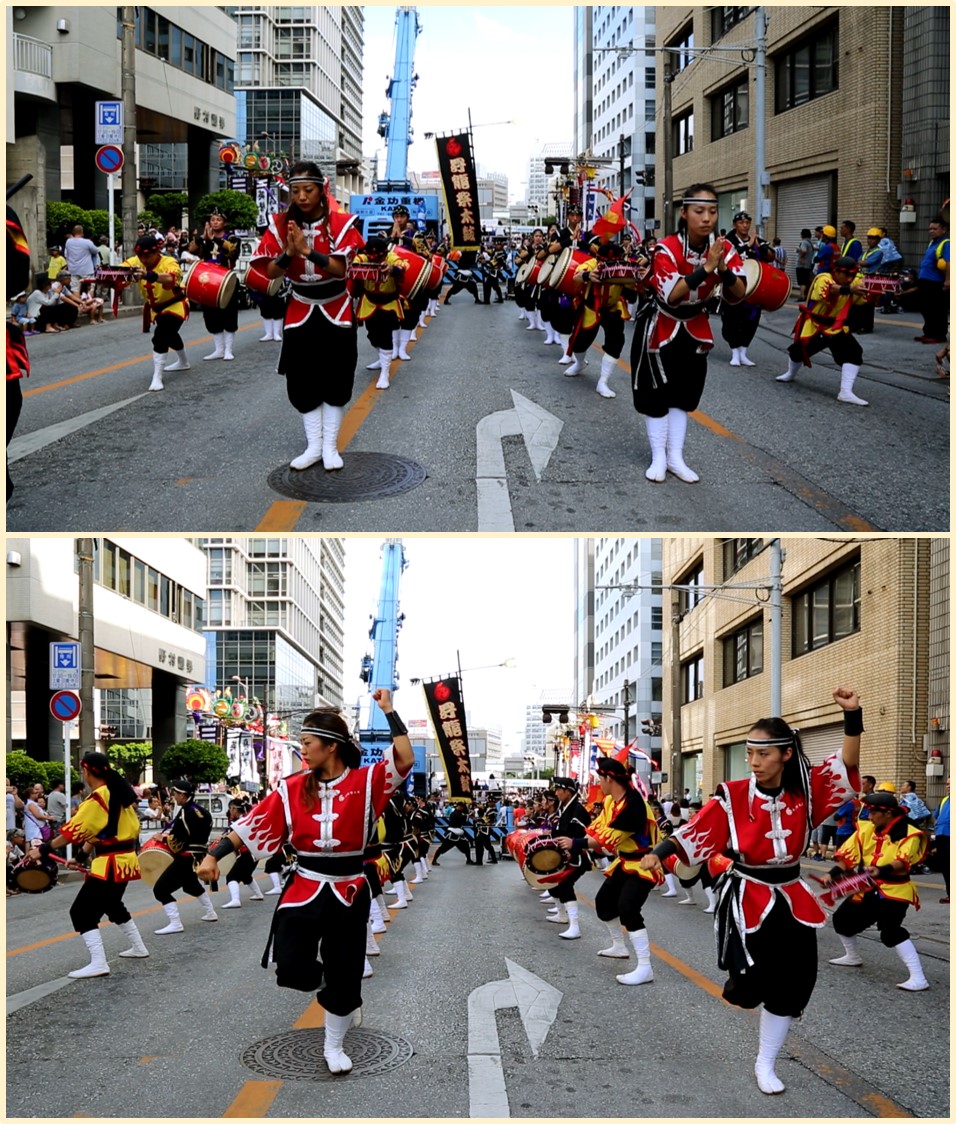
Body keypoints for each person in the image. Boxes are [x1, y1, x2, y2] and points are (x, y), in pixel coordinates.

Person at [641, 686, 862, 1096]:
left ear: (785, 754)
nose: (754, 761)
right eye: (750, 753)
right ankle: (748, 991)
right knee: (748, 987)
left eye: (763, 753)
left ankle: (766, 1062)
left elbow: (847, 767)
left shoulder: (807, 793)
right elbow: (698, 830)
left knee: (794, 983)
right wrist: (660, 851)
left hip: (794, 896)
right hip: (748, 894)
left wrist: (853, 716)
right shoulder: (734, 796)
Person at [197, 688, 414, 1076]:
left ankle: (334, 1041)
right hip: (305, 886)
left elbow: (404, 759)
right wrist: (214, 854)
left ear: (330, 747)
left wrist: (389, 711)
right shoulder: (292, 787)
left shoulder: (368, 783)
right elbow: (252, 826)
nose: (303, 750)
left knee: (346, 972)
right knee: (293, 968)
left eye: (308, 743)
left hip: (350, 889)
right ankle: (340, 988)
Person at [630, 183, 747, 483]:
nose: (707, 218)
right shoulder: (665, 248)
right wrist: (708, 267)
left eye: (712, 211)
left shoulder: (726, 249)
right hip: (661, 324)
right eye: (699, 211)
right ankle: (658, 457)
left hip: (695, 325)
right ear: (684, 213)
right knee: (656, 394)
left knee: (684, 396)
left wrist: (724, 270)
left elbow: (740, 292)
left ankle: (675, 458)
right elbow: (672, 294)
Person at [256, 161, 364, 471]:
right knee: (302, 379)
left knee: (336, 377)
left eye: (308, 190)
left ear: (321, 190)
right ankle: (313, 446)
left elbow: (341, 269)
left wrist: (307, 251)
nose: (301, 196)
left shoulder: (343, 224)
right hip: (299, 308)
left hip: (336, 307)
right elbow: (270, 271)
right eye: (295, 190)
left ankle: (330, 447)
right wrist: (290, 252)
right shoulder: (279, 225)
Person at [27, 752, 149, 976]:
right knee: (113, 905)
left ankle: (99, 963)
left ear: (86, 771)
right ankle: (139, 947)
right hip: (123, 860)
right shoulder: (118, 793)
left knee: (82, 912)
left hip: (111, 863)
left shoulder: (99, 797)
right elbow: (100, 833)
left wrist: (42, 849)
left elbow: (71, 833)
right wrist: (81, 858)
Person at [559, 757, 663, 982]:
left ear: (609, 778)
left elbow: (610, 839)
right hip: (625, 861)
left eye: (600, 779)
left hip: (644, 862)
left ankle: (645, 967)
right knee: (605, 903)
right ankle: (619, 946)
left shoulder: (634, 805)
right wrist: (574, 847)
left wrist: (575, 844)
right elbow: (596, 831)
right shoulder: (610, 802)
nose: (599, 784)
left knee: (628, 908)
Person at [825, 790, 930, 991]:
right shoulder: (865, 830)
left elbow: (902, 863)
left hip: (894, 890)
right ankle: (852, 956)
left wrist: (881, 869)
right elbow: (849, 857)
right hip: (867, 889)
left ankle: (918, 977)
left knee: (890, 931)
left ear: (888, 813)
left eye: (873, 812)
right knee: (842, 920)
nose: (869, 816)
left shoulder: (909, 832)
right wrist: (832, 874)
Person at [776, 255, 871, 405]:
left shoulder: (854, 281)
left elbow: (862, 300)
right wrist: (850, 289)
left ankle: (845, 391)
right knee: (798, 352)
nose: (849, 278)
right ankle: (790, 373)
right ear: (837, 271)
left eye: (852, 275)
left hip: (836, 326)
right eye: (847, 275)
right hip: (815, 325)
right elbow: (829, 291)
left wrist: (875, 290)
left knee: (854, 353)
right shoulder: (823, 278)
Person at [563, 238, 641, 398]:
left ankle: (603, 381)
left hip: (613, 308)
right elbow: (576, 275)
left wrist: (636, 281)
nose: (612, 264)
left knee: (616, 343)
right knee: (578, 343)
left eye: (615, 261)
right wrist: (588, 275)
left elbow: (633, 290)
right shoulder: (592, 263)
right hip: (591, 308)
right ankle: (579, 364)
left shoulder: (625, 266)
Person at [121, 233, 190, 391]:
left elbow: (171, 278)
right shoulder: (135, 262)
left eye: (148, 256)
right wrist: (101, 278)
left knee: (161, 336)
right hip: (156, 309)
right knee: (170, 336)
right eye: (140, 256)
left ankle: (157, 377)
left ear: (156, 252)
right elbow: (119, 272)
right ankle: (184, 362)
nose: (144, 260)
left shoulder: (169, 261)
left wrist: (148, 274)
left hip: (175, 304)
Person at [151, 778, 218, 934]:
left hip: (186, 856)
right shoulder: (202, 811)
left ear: (182, 795)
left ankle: (175, 923)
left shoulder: (186, 813)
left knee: (160, 890)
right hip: (198, 856)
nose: (173, 796)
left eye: (175, 793)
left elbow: (179, 840)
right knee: (190, 886)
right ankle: (210, 912)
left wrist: (165, 838)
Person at [719, 210, 775, 368]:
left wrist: (762, 248)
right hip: (733, 286)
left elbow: (770, 256)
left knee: (751, 319)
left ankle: (743, 351)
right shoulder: (728, 241)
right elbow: (726, 257)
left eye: (747, 223)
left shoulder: (755, 240)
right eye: (741, 223)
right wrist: (746, 247)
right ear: (734, 224)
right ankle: (734, 352)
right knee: (731, 319)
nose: (744, 225)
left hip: (753, 288)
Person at [352, 235, 408, 390]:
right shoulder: (364, 257)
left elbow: (403, 266)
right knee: (372, 336)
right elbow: (356, 262)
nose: (376, 261)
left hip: (388, 303)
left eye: (379, 258)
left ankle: (385, 371)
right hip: (369, 301)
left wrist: (392, 269)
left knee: (385, 335)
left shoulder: (391, 257)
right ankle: (382, 357)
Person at [188, 209, 241, 361]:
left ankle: (228, 350)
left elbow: (232, 251)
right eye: (213, 220)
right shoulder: (205, 239)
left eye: (218, 219)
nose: (215, 222)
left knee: (229, 314)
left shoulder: (232, 238)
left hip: (226, 280)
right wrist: (202, 238)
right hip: (208, 281)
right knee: (211, 315)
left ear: (224, 223)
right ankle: (218, 349)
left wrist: (216, 240)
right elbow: (191, 250)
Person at [545, 777, 593, 939]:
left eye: (559, 790)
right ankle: (561, 914)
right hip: (565, 854)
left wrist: (573, 846)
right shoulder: (564, 808)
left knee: (565, 884)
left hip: (578, 856)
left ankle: (575, 926)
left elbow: (584, 835)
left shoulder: (577, 810)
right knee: (552, 880)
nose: (556, 793)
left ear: (568, 791)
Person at [218, 798, 264, 908]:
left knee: (231, 877)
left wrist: (224, 837)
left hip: (246, 854)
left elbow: (234, 835)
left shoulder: (240, 821)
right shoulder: (246, 819)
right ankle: (258, 894)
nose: (230, 812)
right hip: (254, 854)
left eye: (230, 809)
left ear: (234, 809)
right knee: (246, 876)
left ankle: (235, 900)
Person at [914, 215, 949, 344]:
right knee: (926, 307)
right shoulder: (932, 243)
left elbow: (950, 262)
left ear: (943, 230)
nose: (931, 231)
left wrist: (948, 280)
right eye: (930, 229)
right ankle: (928, 332)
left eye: (935, 229)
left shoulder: (946, 243)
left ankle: (939, 335)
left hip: (936, 282)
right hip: (926, 280)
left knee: (937, 309)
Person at [64, 225, 100, 292]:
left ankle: (79, 302)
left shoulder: (68, 242)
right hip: (86, 270)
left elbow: (66, 254)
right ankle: (89, 301)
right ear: (82, 232)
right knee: (90, 288)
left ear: (73, 232)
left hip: (74, 270)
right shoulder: (87, 242)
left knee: (75, 289)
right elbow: (96, 251)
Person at [932, 777, 949, 903]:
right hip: (941, 836)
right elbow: (935, 816)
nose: (948, 786)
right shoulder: (944, 800)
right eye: (947, 784)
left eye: (951, 784)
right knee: (946, 866)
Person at [795, 228, 815, 299]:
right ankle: (805, 295)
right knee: (806, 280)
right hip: (808, 265)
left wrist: (801, 257)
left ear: (803, 234)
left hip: (802, 265)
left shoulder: (804, 242)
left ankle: (802, 295)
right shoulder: (810, 243)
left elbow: (804, 251)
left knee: (802, 281)